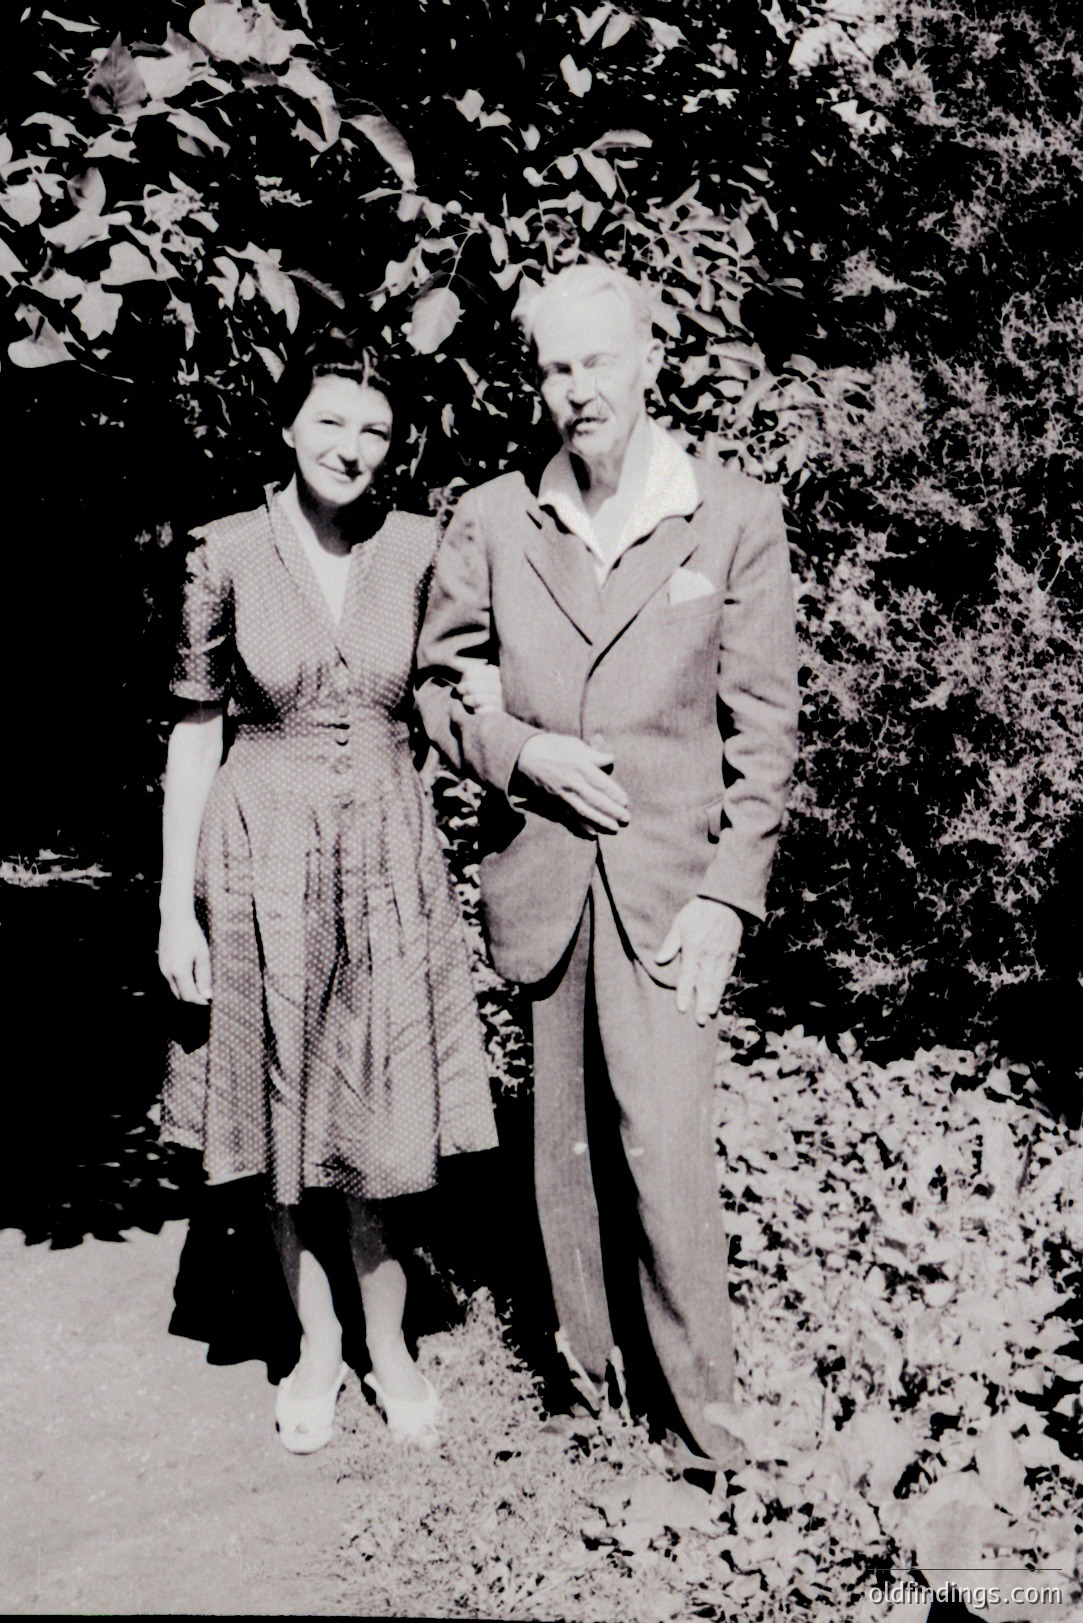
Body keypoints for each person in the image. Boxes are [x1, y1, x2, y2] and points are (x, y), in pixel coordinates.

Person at [416, 262, 799, 1470]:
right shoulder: (493, 518)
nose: (576, 388)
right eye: (554, 367)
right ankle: (594, 1398)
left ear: (647, 362)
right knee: (563, 1156)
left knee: (666, 1152)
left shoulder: (730, 515)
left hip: (671, 893)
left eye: (596, 361)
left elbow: (765, 732)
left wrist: (730, 897)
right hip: (545, 880)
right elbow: (441, 683)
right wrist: (521, 753)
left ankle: (705, 1431)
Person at [157, 332, 499, 1454]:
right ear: (289, 425)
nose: (351, 447)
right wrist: (172, 908)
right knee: (282, 1110)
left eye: (375, 431)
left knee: (380, 1107)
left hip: (387, 853)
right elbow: (195, 732)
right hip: (259, 854)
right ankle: (315, 1346)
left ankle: (388, 1345)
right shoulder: (223, 552)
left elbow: (460, 688)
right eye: (332, 421)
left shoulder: (423, 549)